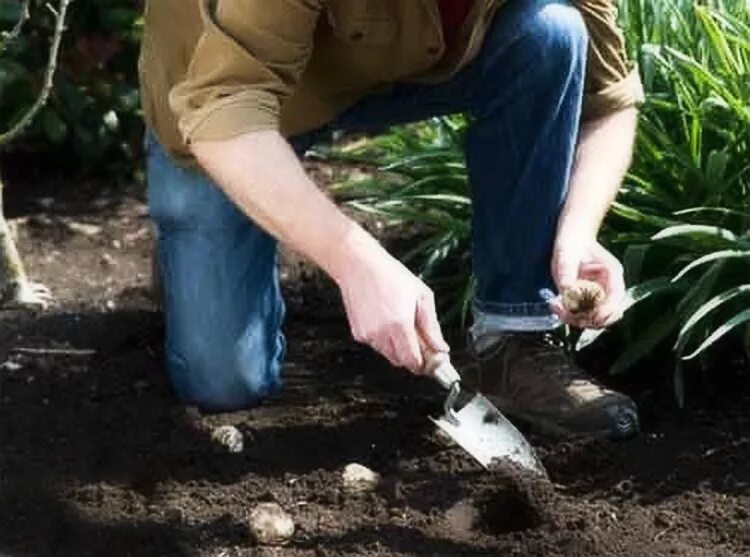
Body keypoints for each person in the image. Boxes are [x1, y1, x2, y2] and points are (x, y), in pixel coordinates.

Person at [139, 0, 643, 439]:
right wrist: (355, 261)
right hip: (226, 95)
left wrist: (575, 233)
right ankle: (201, 246)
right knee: (224, 381)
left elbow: (610, 98)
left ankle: (513, 344)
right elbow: (224, 107)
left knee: (552, 31)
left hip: (400, 58)